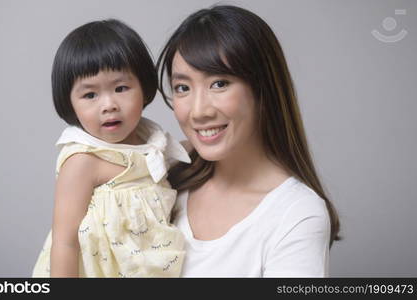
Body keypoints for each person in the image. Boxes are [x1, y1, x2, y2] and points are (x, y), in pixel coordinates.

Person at [157, 5, 341, 277]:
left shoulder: (296, 214)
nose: (198, 111)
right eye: (183, 88)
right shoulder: (163, 175)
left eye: (219, 83)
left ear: (262, 89)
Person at [32, 19, 190, 277]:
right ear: (69, 102)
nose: (109, 105)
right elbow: (64, 242)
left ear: (144, 88)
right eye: (90, 95)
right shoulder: (83, 160)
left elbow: (162, 162)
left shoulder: (150, 142)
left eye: (121, 88)